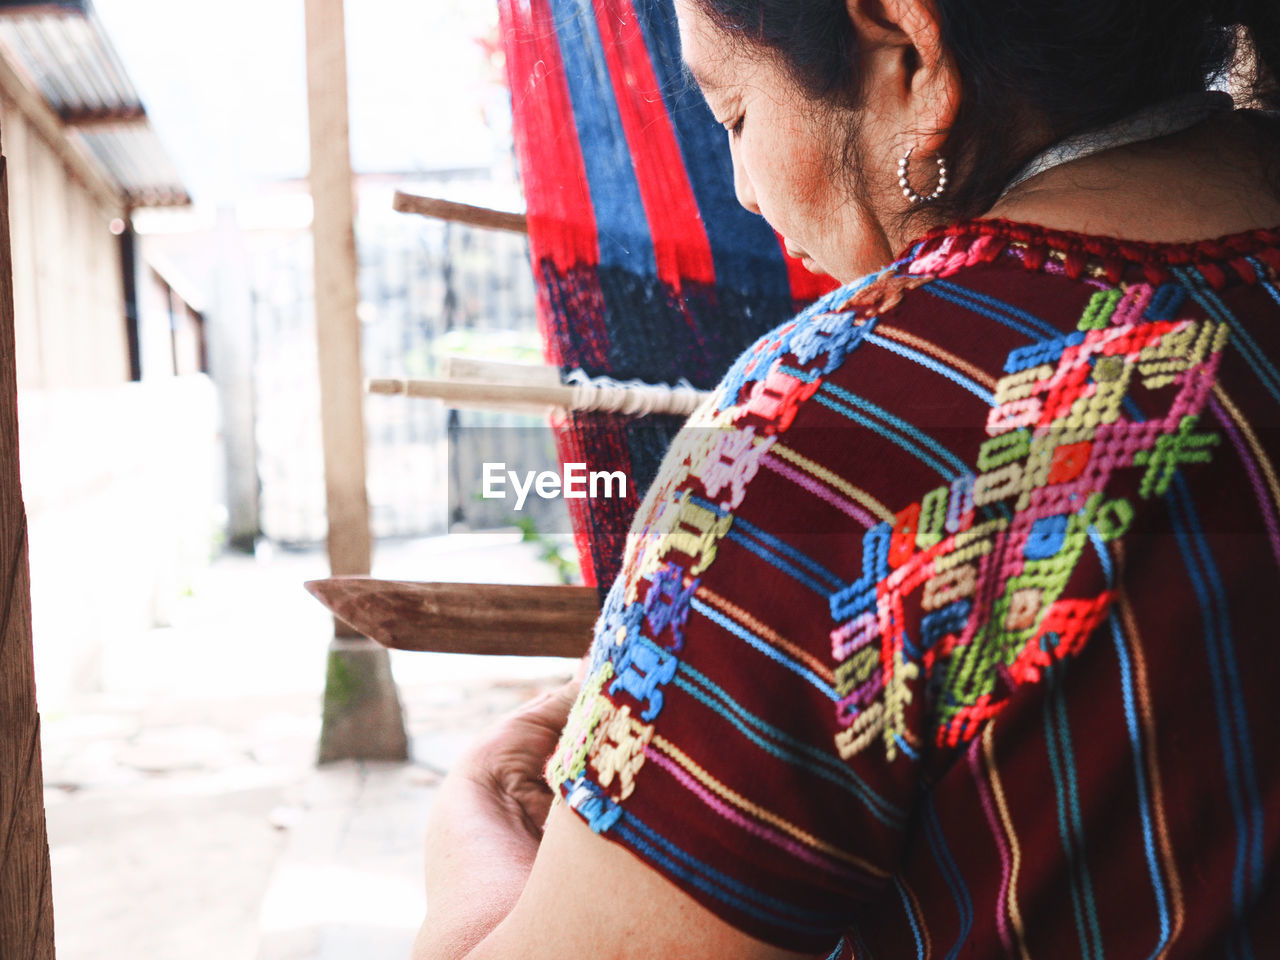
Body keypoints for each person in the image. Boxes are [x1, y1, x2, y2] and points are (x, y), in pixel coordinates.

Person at [414, 0, 1280, 956]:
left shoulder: (813, 437)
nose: (741, 189)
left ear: (909, 47)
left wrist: (477, 812)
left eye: (736, 115)